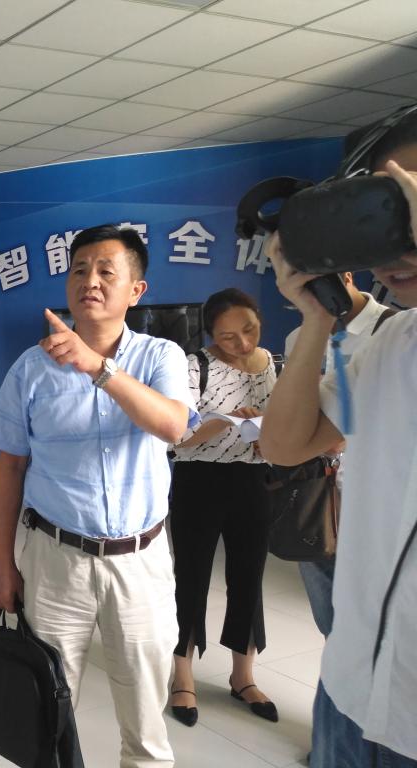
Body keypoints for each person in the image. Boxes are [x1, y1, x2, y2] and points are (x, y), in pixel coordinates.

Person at [0, 223, 197, 768]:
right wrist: (4, 564)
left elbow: (173, 426)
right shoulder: (31, 368)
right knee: (46, 720)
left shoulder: (162, 357)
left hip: (140, 563)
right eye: (79, 270)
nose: (90, 281)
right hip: (56, 561)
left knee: (146, 727)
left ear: (136, 290)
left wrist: (98, 368)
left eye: (106, 271)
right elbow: (10, 468)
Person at [260, 149, 417, 768]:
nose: (393, 247)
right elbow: (285, 444)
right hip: (352, 683)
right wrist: (316, 318)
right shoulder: (387, 343)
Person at [168, 288, 278, 727]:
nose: (243, 343)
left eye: (249, 330)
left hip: (253, 481)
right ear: (210, 334)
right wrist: (224, 422)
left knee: (249, 577)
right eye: (228, 337)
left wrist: (266, 435)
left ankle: (243, 675)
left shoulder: (272, 363)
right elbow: (176, 439)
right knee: (191, 578)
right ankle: (182, 675)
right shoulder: (193, 366)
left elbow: (280, 427)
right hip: (199, 481)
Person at [283, 273, 391, 638]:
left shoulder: (391, 332)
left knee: (377, 624)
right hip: (315, 491)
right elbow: (291, 432)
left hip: (376, 506)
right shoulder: (299, 338)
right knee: (330, 619)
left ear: (345, 276)